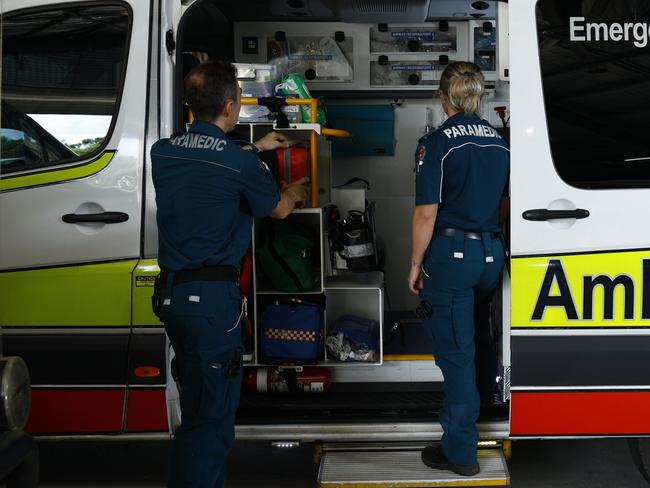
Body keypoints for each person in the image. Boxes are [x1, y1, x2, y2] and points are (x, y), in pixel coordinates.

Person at [151, 60, 309, 488]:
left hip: (174, 299)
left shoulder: (162, 153)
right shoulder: (240, 167)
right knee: (210, 422)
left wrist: (257, 149)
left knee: (200, 404)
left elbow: (207, 158)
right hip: (211, 305)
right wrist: (291, 192)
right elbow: (275, 209)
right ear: (229, 106)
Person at [408, 61, 510, 476]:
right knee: (478, 337)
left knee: (456, 350)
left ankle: (461, 452)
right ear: (479, 96)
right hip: (490, 255)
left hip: (451, 257)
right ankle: (483, 405)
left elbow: (425, 215)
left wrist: (415, 265)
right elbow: (504, 205)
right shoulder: (501, 143)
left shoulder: (435, 143)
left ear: (443, 97)